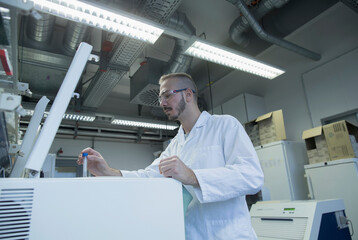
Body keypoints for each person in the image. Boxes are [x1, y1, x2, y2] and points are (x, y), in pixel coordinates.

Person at [77, 73, 264, 239]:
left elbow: (251, 176)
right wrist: (107, 171)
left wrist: (192, 177)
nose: (162, 103)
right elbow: (149, 175)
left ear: (188, 94)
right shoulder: (176, 144)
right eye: (160, 98)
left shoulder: (224, 125)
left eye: (167, 95)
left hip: (230, 235)